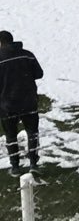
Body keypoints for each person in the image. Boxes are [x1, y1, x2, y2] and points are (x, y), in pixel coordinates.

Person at [0, 30, 43, 176]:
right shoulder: (27, 55)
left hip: (7, 105)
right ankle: (33, 163)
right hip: (29, 101)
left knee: (11, 136)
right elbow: (39, 73)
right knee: (32, 133)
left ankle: (15, 167)